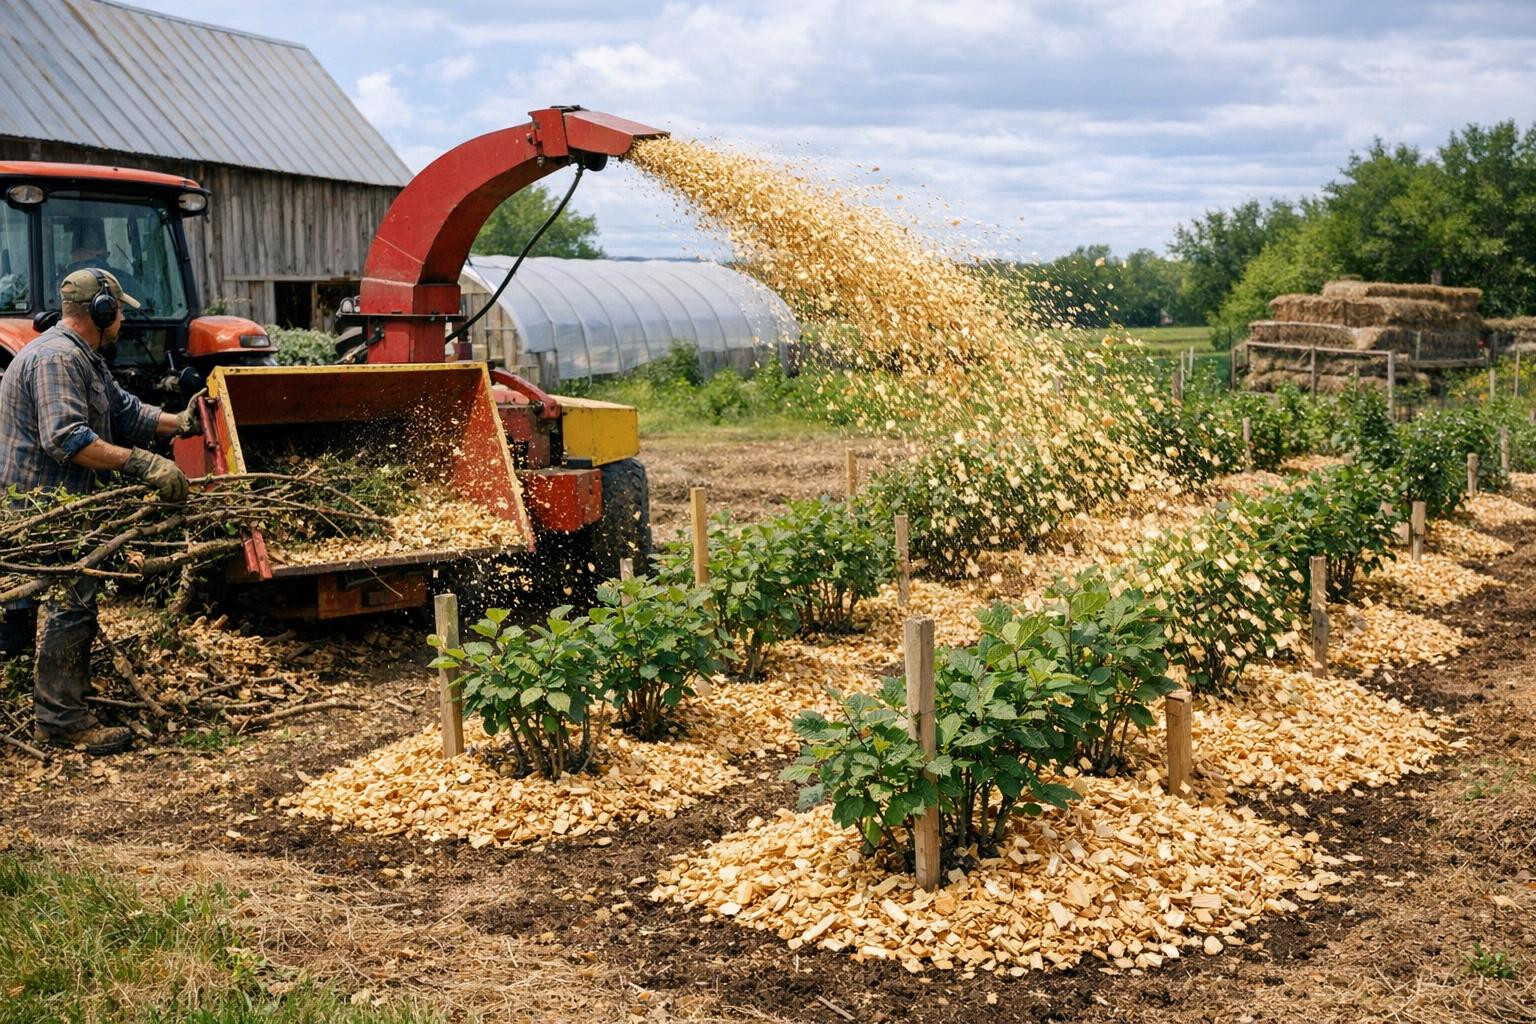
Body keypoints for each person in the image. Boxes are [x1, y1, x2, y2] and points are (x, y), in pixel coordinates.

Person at [0, 268, 201, 755]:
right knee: (71, 604)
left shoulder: (84, 357)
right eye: (119, 312)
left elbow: (127, 411)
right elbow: (66, 437)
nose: (123, 322)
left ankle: (45, 695)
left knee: (42, 609)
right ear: (101, 312)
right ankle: (62, 722)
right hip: (43, 509)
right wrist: (144, 463)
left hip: (60, 504)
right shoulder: (55, 359)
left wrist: (182, 422)